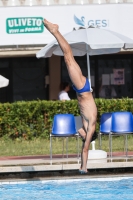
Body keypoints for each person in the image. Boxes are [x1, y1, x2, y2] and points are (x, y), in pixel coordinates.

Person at [43, 19, 97, 174]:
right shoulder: (91, 124)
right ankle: (55, 30)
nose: (79, 132)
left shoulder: (85, 125)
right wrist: (84, 168)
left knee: (68, 58)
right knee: (68, 56)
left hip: (82, 89)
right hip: (82, 88)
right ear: (88, 135)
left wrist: (81, 166)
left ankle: (55, 31)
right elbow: (85, 149)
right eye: (83, 136)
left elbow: (82, 144)